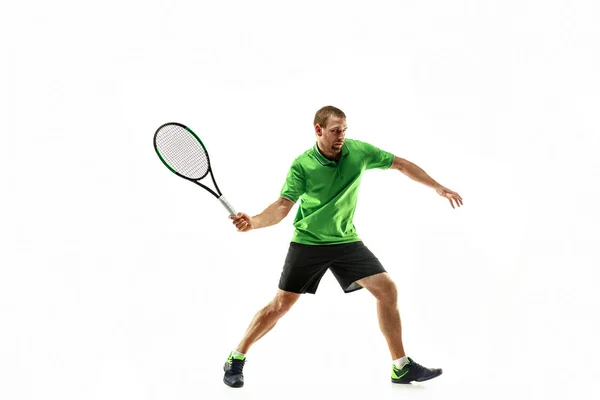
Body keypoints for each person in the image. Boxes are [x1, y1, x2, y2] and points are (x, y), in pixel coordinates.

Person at [223, 106, 463, 388]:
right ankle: (236, 358)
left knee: (387, 289)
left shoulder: (358, 152)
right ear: (318, 130)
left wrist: (437, 186)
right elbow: (282, 206)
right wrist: (253, 221)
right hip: (309, 243)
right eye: (336, 130)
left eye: (345, 130)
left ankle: (401, 367)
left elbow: (401, 164)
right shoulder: (303, 165)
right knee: (280, 305)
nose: (341, 136)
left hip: (346, 241)